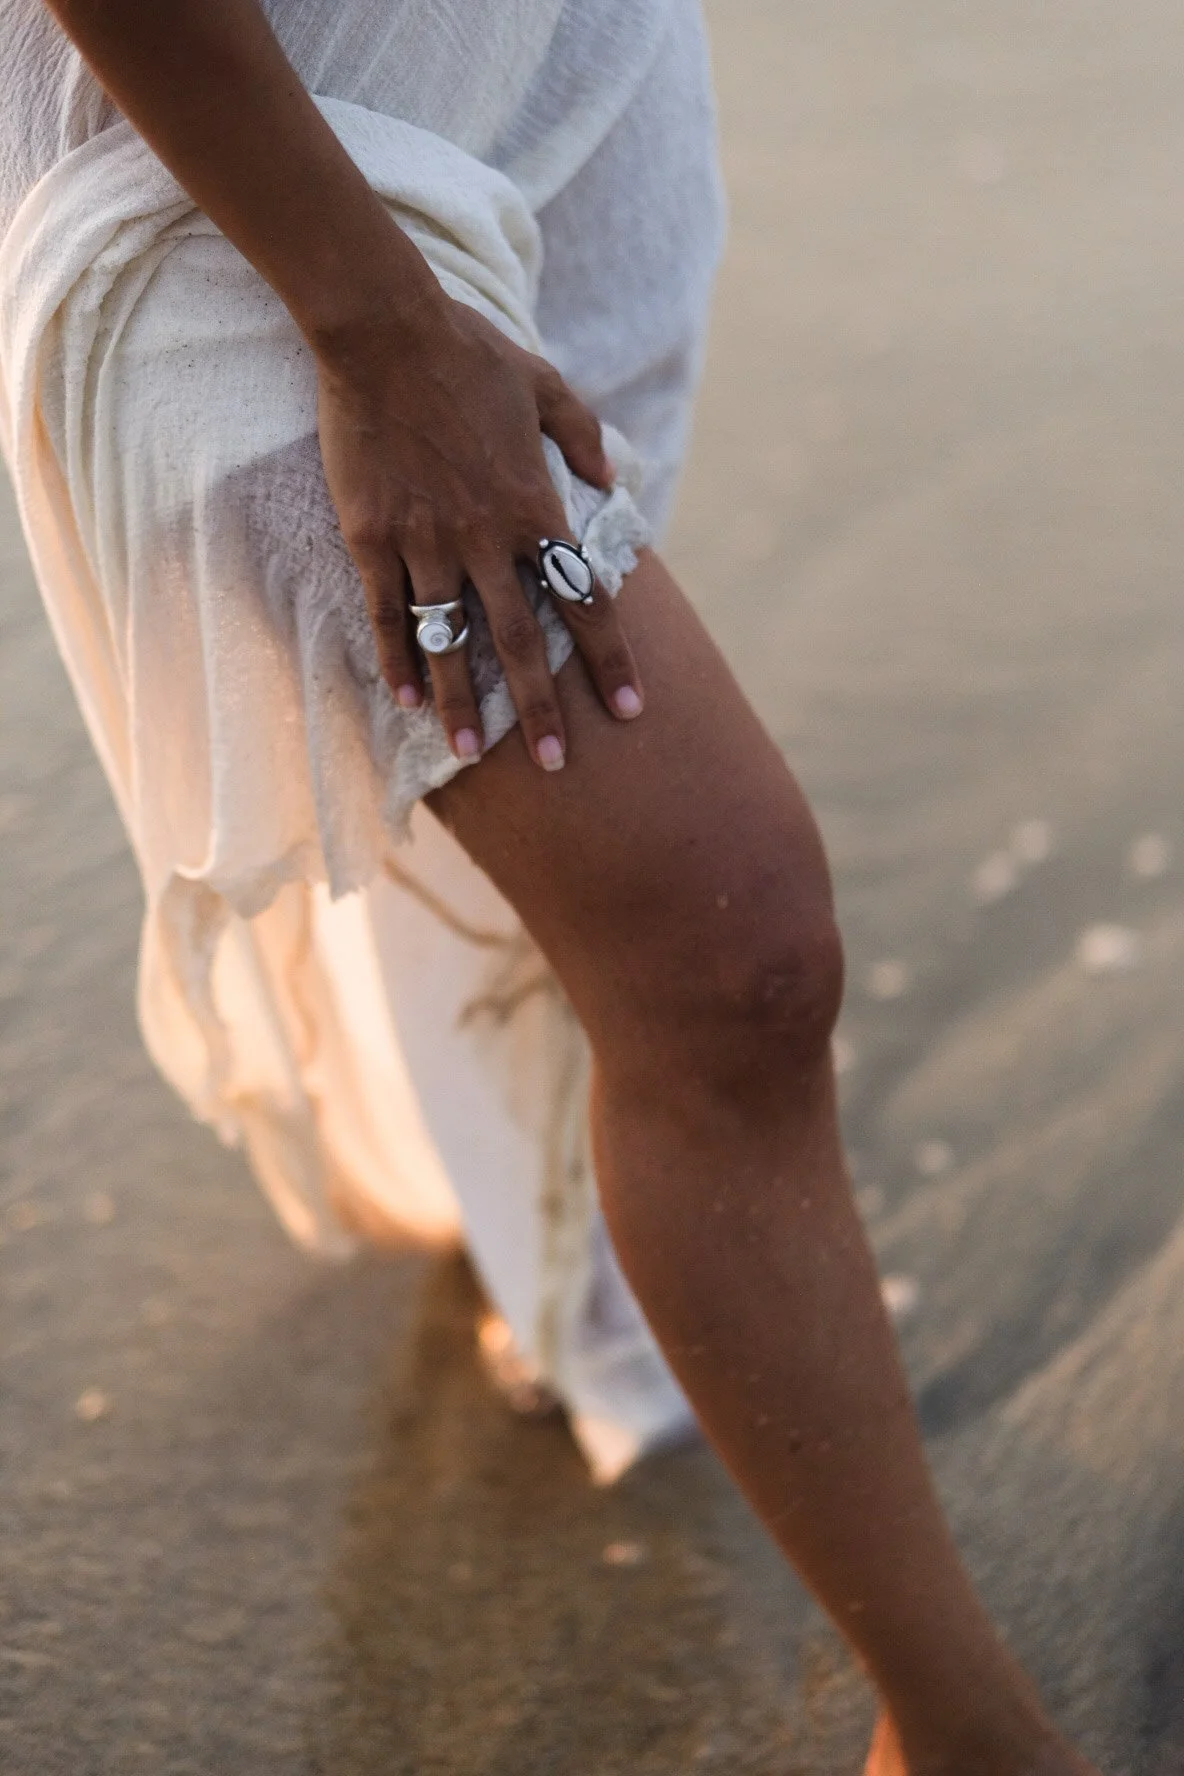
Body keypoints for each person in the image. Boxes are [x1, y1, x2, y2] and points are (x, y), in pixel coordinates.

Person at [0, 2, 1101, 1770]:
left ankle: (507, 1205)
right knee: (730, 945)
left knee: (551, 852)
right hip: (258, 163)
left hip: (547, 59)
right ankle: (966, 1743)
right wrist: (375, 337)